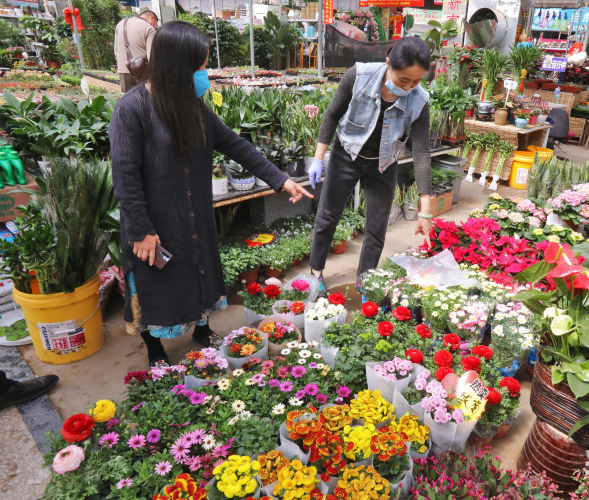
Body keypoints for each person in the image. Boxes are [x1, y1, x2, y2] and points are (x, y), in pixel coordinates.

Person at [109, 21, 312, 367]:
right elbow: (124, 177)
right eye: (200, 66)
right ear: (177, 66)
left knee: (198, 271)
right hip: (153, 223)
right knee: (157, 283)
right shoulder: (132, 110)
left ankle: (202, 330)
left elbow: (235, 144)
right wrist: (142, 230)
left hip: (194, 215)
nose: (205, 74)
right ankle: (155, 348)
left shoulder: (192, 107)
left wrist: (281, 180)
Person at [307, 37, 432, 294]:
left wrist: (426, 211)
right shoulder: (359, 75)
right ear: (388, 64)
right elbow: (332, 114)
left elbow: (421, 152)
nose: (408, 88)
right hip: (347, 153)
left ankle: (366, 282)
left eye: (416, 82)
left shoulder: (420, 100)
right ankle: (315, 272)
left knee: (376, 227)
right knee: (328, 216)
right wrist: (319, 158)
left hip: (383, 164)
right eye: (403, 80)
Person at [114, 9, 158, 93]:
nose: (154, 27)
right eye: (155, 24)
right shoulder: (148, 28)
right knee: (145, 102)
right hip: (142, 73)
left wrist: (121, 66)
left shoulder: (120, 24)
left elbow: (116, 50)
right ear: (151, 18)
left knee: (128, 101)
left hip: (123, 70)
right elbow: (151, 56)